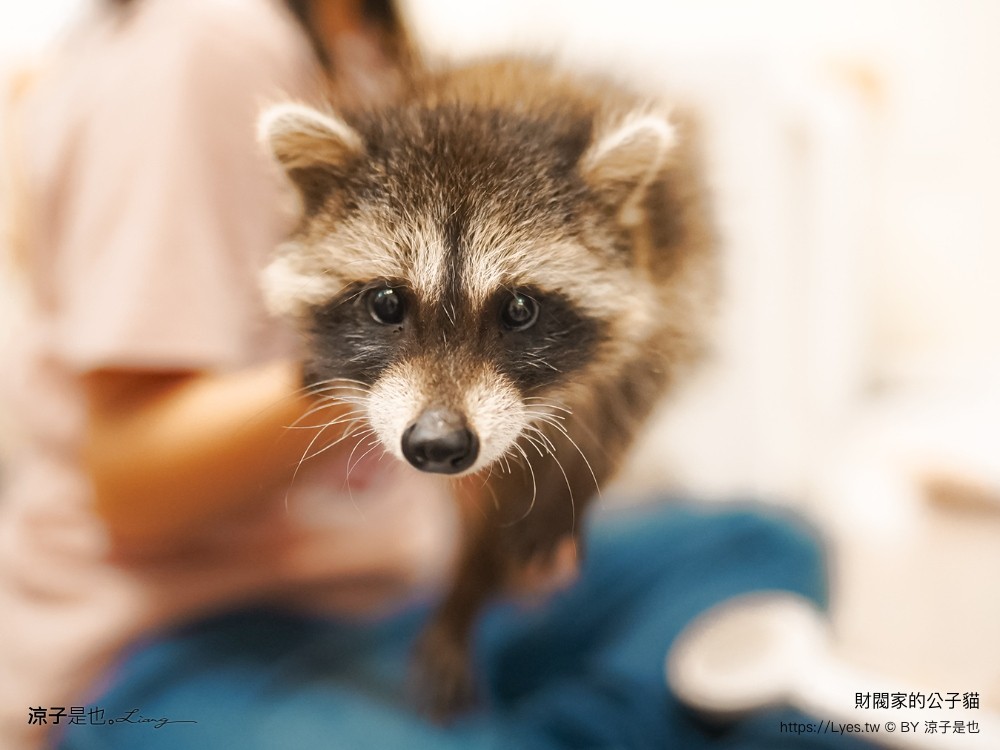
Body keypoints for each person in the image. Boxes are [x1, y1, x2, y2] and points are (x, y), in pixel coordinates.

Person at [0, 1, 875, 748]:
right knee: (763, 701)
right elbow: (128, 486)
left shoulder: (358, 32)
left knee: (761, 544)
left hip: (392, 609)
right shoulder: (200, 44)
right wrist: (351, 362)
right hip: (165, 657)